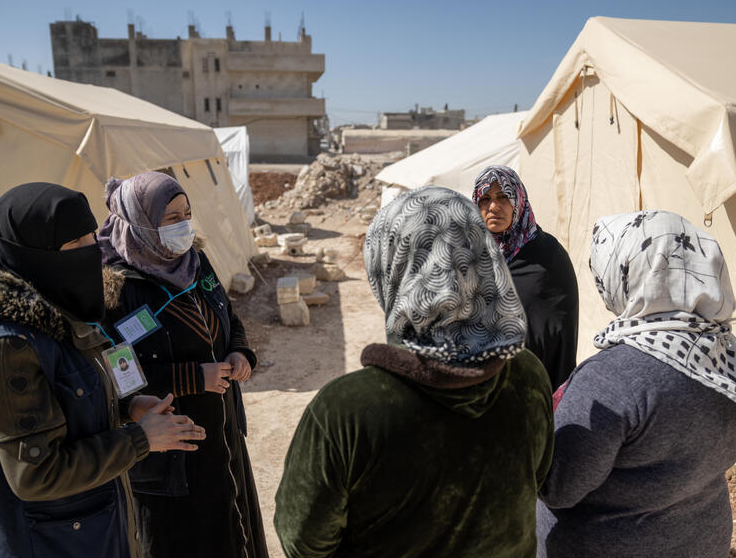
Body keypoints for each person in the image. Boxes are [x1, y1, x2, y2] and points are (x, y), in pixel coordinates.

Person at [274, 186, 554, 558]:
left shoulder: (345, 411)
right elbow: (538, 477)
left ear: (389, 266)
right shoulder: (528, 375)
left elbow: (303, 540)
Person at [0, 182, 206, 558]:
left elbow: (68, 402)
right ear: (33, 254)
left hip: (88, 533)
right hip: (46, 544)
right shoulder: (10, 345)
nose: (92, 252)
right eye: (75, 244)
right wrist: (140, 439)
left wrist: (126, 408)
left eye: (92, 237)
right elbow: (36, 474)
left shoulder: (62, 313)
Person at [536, 210, 736, 558]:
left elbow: (558, 486)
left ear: (629, 274)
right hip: (701, 543)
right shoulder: (722, 356)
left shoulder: (610, 378)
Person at [97, 171, 268, 558]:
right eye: (172, 218)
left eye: (187, 213)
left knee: (233, 528)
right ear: (141, 222)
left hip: (221, 434)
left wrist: (239, 353)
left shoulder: (195, 264)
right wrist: (194, 378)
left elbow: (229, 316)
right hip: (171, 451)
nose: (185, 225)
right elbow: (118, 375)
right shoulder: (117, 287)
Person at [472, 165, 578, 391]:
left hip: (535, 384)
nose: (493, 207)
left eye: (503, 197)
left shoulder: (547, 255)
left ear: (517, 200)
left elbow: (557, 329)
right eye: (485, 198)